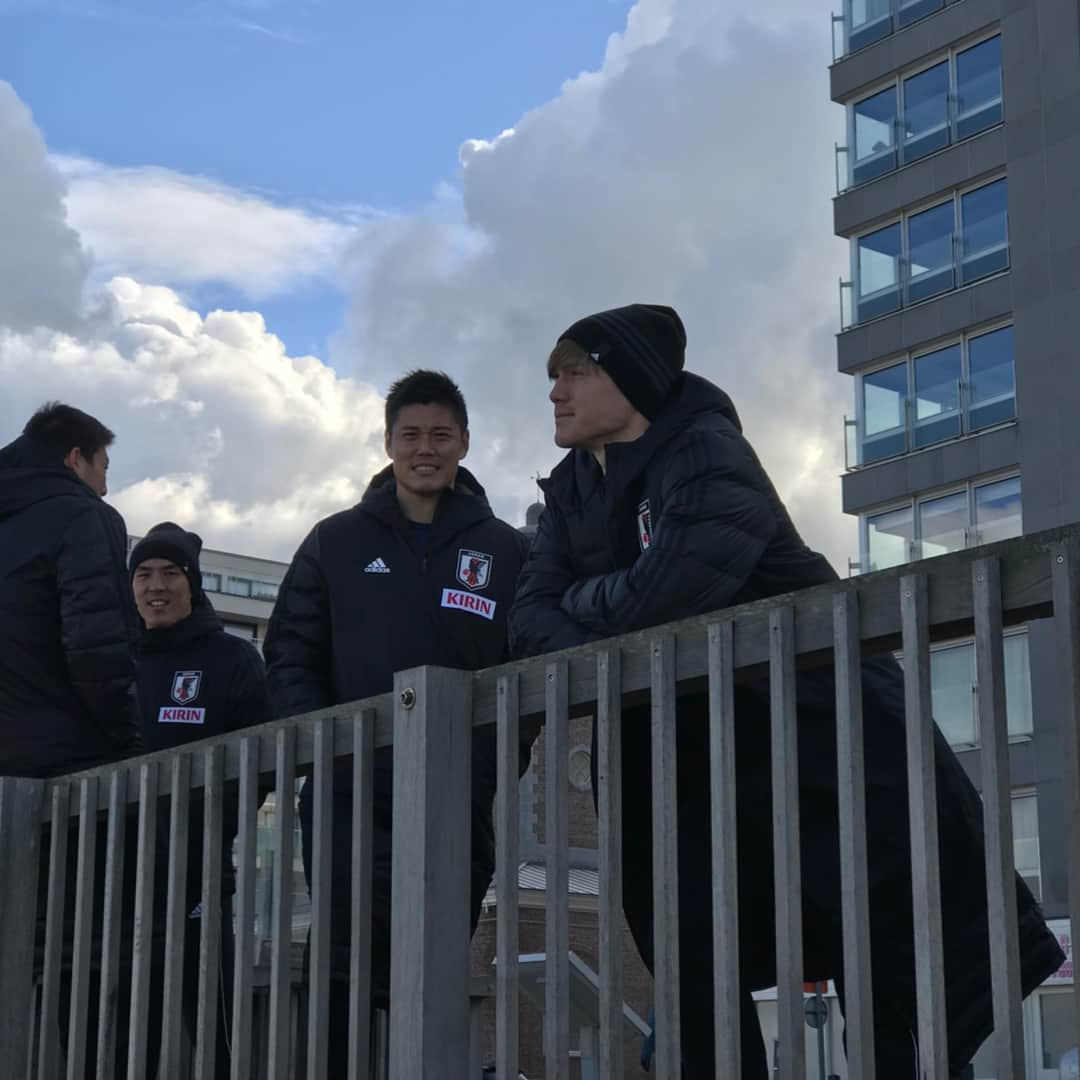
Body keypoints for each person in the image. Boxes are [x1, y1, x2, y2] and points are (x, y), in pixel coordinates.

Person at [508, 304, 1065, 1079]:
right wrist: (597, 606)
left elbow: (659, 600)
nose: (556, 393)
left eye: (576, 371)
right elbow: (527, 622)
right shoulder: (573, 488)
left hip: (820, 738)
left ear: (630, 378)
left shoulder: (707, 453)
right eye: (555, 377)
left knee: (871, 949)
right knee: (694, 949)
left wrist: (582, 601)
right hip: (685, 759)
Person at [264, 369, 532, 1070]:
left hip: (455, 791)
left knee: (438, 959)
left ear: (464, 443)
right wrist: (325, 747)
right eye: (410, 434)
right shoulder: (336, 541)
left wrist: (496, 756)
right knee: (349, 964)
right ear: (388, 443)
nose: (425, 448)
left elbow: (531, 657)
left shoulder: (505, 550)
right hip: (350, 793)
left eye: (441, 434)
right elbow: (289, 650)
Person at [129, 521, 271, 1078]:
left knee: (212, 1026)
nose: (155, 586)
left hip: (197, 876)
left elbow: (255, 767)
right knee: (116, 1027)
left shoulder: (231, 661)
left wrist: (201, 828)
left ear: (193, 584)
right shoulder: (110, 663)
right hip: (107, 881)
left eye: (169, 573)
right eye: (143, 574)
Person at [0, 401, 140, 777]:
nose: (106, 489)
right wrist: (129, 738)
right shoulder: (83, 515)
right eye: (104, 469)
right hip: (61, 761)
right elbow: (96, 649)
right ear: (75, 458)